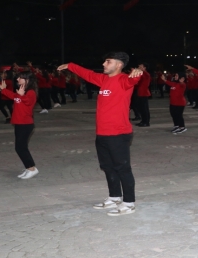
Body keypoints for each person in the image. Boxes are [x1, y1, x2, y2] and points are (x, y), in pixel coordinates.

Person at [57, 52, 143, 216]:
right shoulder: (103, 80)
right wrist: (70, 65)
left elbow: (134, 78)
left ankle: (129, 202)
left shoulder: (124, 80)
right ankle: (115, 197)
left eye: (108, 61)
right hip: (102, 134)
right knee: (108, 168)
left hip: (118, 134)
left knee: (123, 168)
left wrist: (139, 72)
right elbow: (87, 74)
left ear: (118, 65)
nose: (104, 64)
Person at [0, 70, 39, 179]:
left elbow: (28, 101)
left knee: (20, 148)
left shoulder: (30, 92)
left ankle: (32, 168)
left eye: (20, 77)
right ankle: (29, 168)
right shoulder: (23, 90)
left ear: (27, 79)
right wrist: (3, 90)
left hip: (25, 124)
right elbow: (14, 96)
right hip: (19, 123)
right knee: (21, 147)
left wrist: (21, 96)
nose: (17, 79)